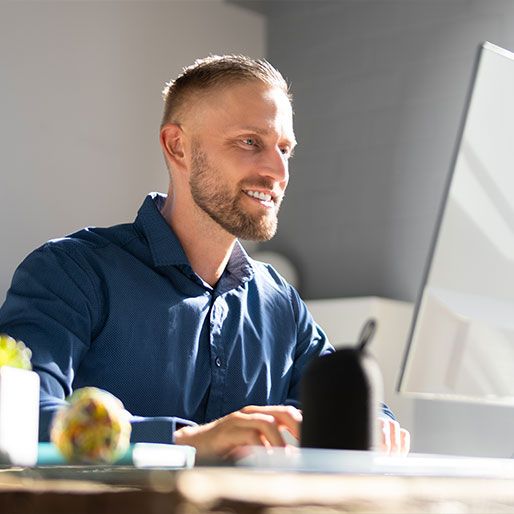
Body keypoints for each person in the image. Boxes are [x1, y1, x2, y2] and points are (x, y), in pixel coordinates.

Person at [0, 55, 409, 459]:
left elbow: (350, 406)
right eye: (250, 142)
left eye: (284, 149)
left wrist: (373, 424)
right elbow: (16, 416)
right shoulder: (71, 272)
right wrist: (185, 442)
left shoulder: (280, 303)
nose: (277, 171)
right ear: (177, 146)